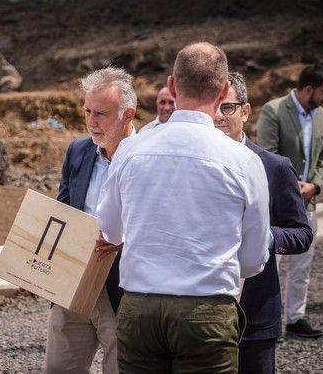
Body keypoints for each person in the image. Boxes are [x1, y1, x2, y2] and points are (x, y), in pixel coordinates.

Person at [98, 42, 271, 373]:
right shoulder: (245, 161)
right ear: (223, 92)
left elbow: (110, 228)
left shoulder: (131, 150)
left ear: (173, 86)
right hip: (206, 311)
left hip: (139, 308)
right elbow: (253, 259)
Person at [215, 72, 312, 373]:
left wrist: (264, 236)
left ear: (246, 111)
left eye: (227, 107)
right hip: (199, 313)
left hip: (255, 312)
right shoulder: (190, 165)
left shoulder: (274, 166)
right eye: (213, 107)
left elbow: (302, 234)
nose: (218, 116)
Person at [44, 66, 136, 374]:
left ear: (128, 115)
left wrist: (123, 242)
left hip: (123, 289)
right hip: (73, 283)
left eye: (101, 114)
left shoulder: (148, 156)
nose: (91, 122)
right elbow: (64, 207)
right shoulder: (78, 150)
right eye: (87, 111)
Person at [257, 64, 323, 339]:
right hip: (277, 202)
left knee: (302, 264)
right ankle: (270, 322)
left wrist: (316, 185)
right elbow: (267, 154)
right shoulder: (273, 110)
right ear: (307, 89)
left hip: (308, 201)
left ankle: (295, 318)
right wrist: (290, 187)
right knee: (271, 265)